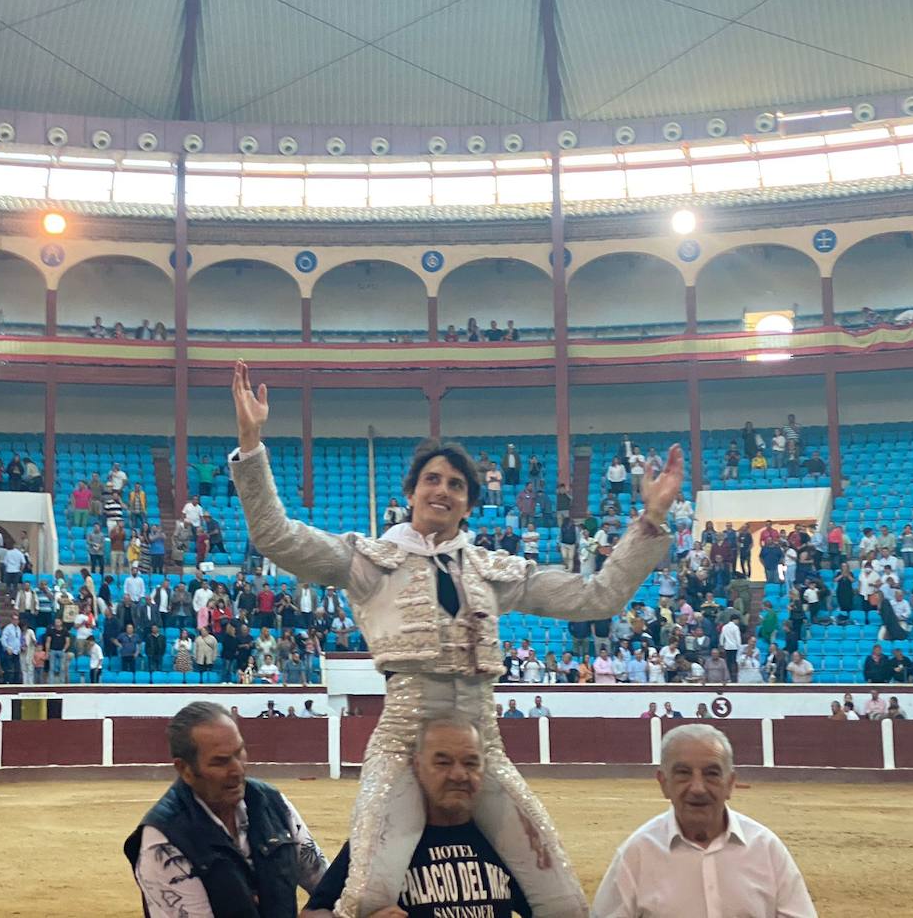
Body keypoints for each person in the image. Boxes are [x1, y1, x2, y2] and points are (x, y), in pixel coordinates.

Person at [229, 360, 678, 917]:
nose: (443, 490)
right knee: (368, 896)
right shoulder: (371, 561)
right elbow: (277, 537)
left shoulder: (494, 571)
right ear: (412, 491)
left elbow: (597, 597)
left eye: (456, 485)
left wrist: (651, 519)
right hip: (401, 743)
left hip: (481, 747)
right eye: (433, 480)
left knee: (562, 899)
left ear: (469, 503)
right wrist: (251, 444)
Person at [304, 715, 533, 917]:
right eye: (442, 762)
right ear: (417, 767)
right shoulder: (378, 841)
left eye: (471, 763)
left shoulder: (504, 840)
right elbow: (313, 912)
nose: (459, 774)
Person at [124, 701, 327, 916]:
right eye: (220, 762)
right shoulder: (163, 842)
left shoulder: (273, 803)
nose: (237, 769)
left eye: (239, 753)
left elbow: (323, 880)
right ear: (185, 769)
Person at [593, 725, 816, 917]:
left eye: (711, 774)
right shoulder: (636, 854)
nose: (698, 788)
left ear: (730, 783)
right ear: (664, 783)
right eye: (683, 773)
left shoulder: (766, 848)